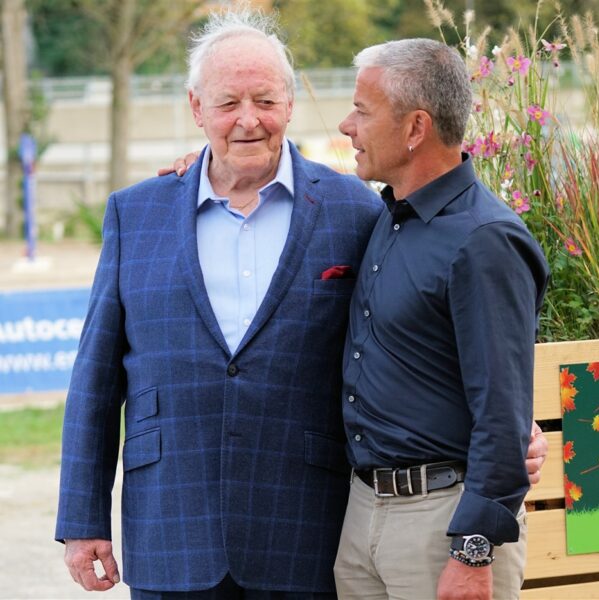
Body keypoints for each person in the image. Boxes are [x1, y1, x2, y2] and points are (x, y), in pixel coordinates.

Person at [57, 7, 548, 599]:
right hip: (172, 531)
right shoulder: (137, 213)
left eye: (265, 100)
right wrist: (82, 520)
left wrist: (513, 432)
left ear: (289, 104)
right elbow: (95, 378)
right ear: (196, 108)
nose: (248, 120)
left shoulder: (358, 211)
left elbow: (443, 319)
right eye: (227, 103)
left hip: (307, 533)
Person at [331, 39, 549, 600]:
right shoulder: (389, 217)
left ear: (415, 128)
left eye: (362, 111)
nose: (347, 126)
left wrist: (473, 551)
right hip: (363, 516)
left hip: (443, 526)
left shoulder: (485, 240)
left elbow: (502, 409)